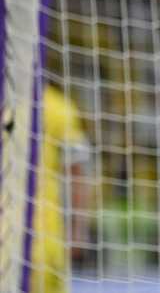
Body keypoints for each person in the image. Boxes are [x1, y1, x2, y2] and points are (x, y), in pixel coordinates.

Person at [30, 84, 93, 293]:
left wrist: (78, 228)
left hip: (43, 237)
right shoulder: (59, 107)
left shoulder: (59, 108)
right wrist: (78, 229)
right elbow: (78, 173)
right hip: (45, 238)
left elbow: (77, 173)